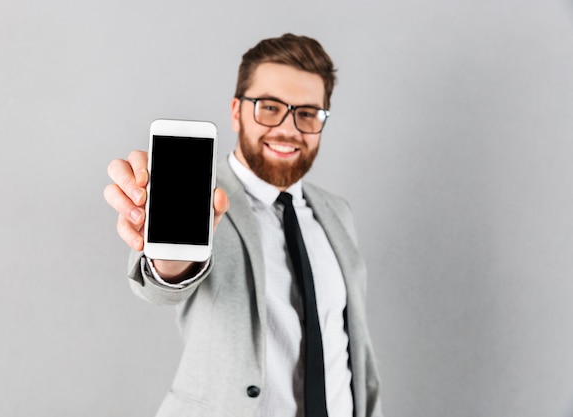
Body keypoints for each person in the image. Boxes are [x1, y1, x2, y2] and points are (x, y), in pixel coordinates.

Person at [104, 33, 383, 417]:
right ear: (236, 111)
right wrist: (164, 253)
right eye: (269, 107)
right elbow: (165, 282)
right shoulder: (202, 196)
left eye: (307, 113)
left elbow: (349, 345)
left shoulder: (337, 212)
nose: (288, 128)